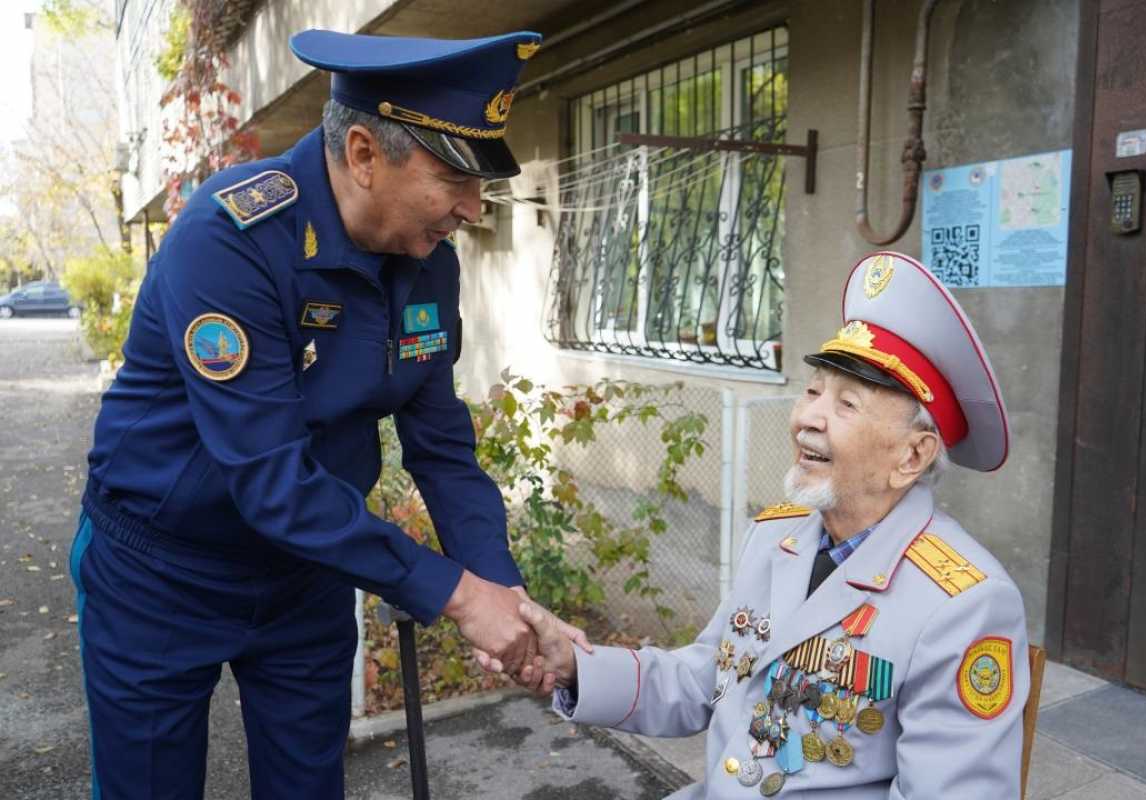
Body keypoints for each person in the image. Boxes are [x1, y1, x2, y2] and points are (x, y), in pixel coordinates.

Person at [69, 28, 583, 799]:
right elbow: (271, 481)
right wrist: (453, 594)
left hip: (305, 576)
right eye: (454, 178)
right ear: (366, 156)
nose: (473, 210)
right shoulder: (231, 238)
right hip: (161, 573)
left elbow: (441, 445)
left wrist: (502, 593)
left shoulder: (426, 260)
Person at [521, 251, 1030, 798]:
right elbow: (704, 679)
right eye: (813, 392)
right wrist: (576, 665)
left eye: (847, 404)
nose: (807, 417)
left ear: (912, 456)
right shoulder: (775, 536)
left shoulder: (964, 603)